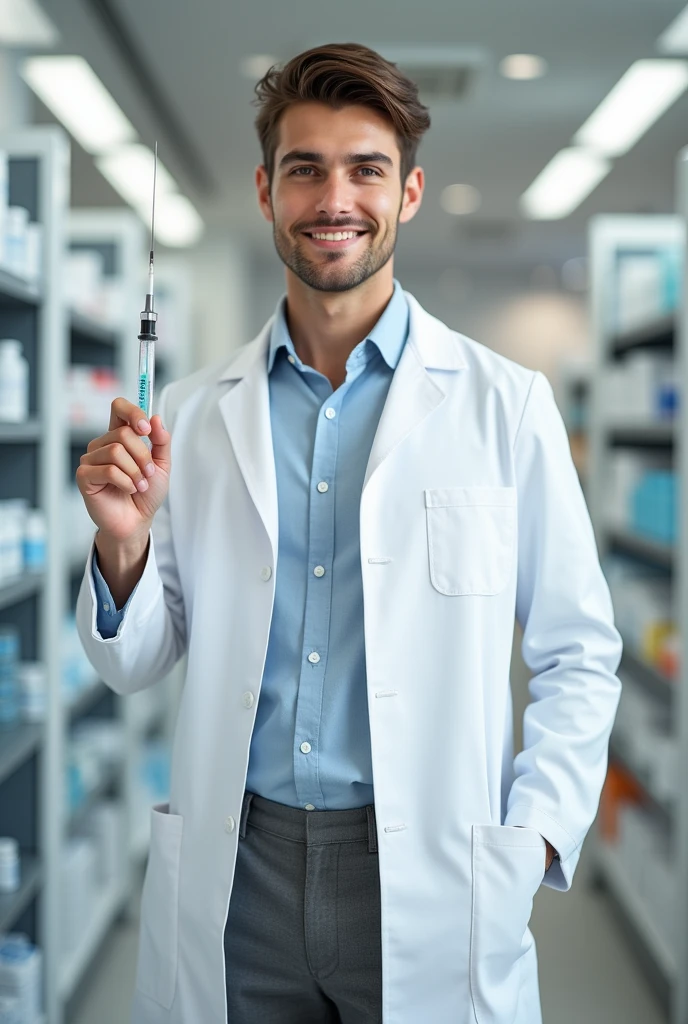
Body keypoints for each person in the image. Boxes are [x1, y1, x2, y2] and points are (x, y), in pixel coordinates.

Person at [75, 41, 622, 1024]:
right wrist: (123, 546)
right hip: (241, 867)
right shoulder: (195, 417)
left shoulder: (504, 406)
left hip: (429, 868)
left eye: (365, 168)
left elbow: (578, 652)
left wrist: (532, 838)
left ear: (408, 192)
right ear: (264, 189)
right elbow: (136, 659)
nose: (335, 196)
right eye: (305, 168)